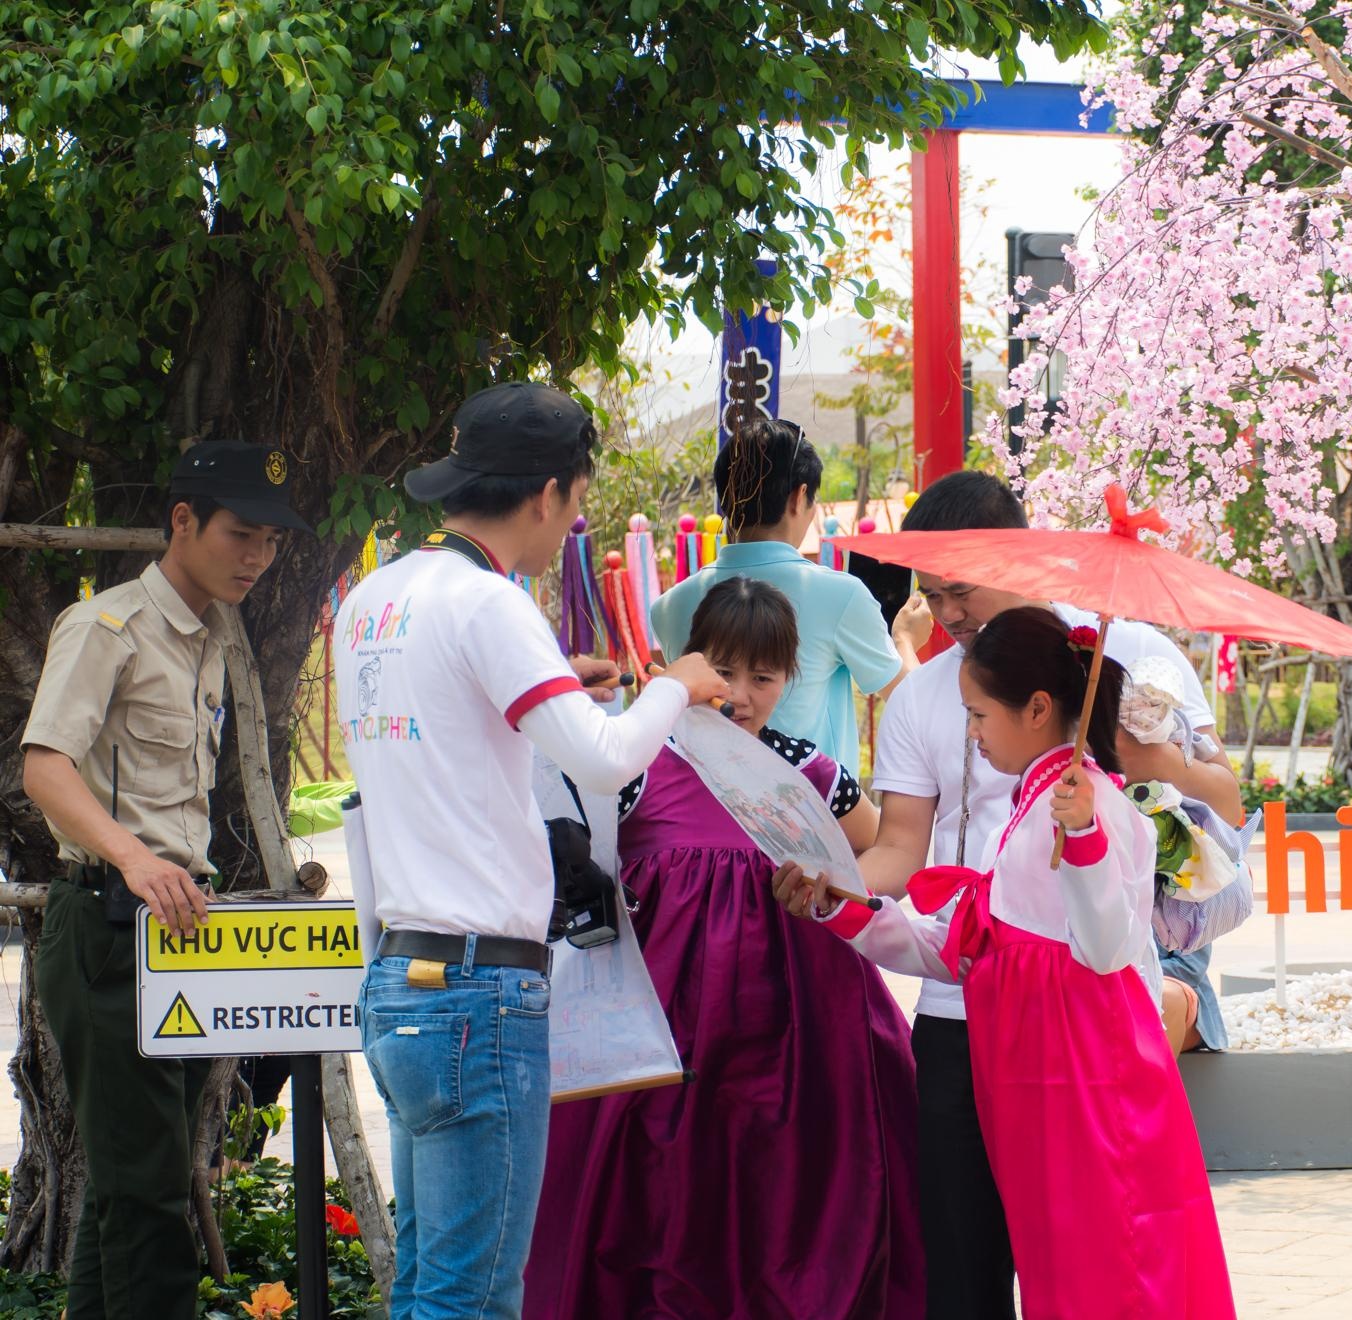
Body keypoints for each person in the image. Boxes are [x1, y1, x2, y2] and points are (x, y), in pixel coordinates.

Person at [334, 382, 727, 1319]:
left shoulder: (375, 600)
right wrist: (676, 686)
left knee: (429, 1285)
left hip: (399, 981)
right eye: (579, 501)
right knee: (473, 1301)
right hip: (479, 995)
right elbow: (606, 756)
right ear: (547, 493)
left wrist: (561, 683)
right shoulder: (490, 603)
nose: (574, 524)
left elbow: (455, 729)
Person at [853, 471, 1240, 1319]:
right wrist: (837, 892)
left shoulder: (1122, 660)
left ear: (1021, 560)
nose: (947, 613)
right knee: (962, 1257)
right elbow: (901, 848)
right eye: (930, 593)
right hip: (963, 1001)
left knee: (1099, 1253)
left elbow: (1226, 801)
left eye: (961, 587)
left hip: (1081, 1020)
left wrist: (1143, 759)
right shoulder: (922, 694)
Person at [523, 577, 923, 1318]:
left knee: (782, 1191)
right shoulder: (639, 762)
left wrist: (830, 887)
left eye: (762, 676)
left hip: (796, 1029)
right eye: (723, 670)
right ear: (689, 662)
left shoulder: (811, 773)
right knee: (663, 1192)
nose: (739, 692)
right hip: (664, 1029)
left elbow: (875, 854)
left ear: (788, 678)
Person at [21, 441, 309, 1319]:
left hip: (173, 931)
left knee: (134, 1192)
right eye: (240, 535)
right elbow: (44, 766)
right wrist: (135, 858)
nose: (257, 558)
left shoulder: (213, 638)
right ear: (182, 521)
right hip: (109, 930)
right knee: (148, 1204)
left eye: (270, 540)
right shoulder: (106, 625)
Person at [651, 415, 930, 769]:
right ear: (800, 496)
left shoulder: (668, 606)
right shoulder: (839, 595)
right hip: (817, 808)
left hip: (713, 804)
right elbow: (911, 703)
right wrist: (905, 639)